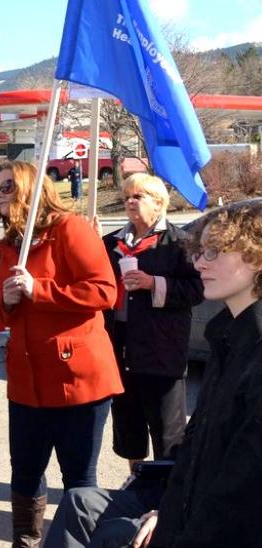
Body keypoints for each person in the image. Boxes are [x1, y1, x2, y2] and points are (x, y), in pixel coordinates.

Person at [45, 199, 262, 548]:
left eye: (214, 252)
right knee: (79, 502)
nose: (199, 262)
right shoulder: (227, 339)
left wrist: (169, 515)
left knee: (112, 534)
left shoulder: (253, 354)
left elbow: (241, 488)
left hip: (213, 522)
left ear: (256, 258)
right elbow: (195, 448)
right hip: (181, 496)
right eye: (200, 250)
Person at [0, 160, 123, 547]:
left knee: (79, 477)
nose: (0, 194)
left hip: (78, 380)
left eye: (8, 186)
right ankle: (25, 542)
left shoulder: (70, 229)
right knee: (25, 472)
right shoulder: (9, 242)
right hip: (26, 382)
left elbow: (103, 292)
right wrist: (6, 301)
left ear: (29, 187)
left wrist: (38, 290)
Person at [100, 174, 203, 476]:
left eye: (138, 196)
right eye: (127, 196)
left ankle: (165, 497)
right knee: (129, 428)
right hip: (121, 351)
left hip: (161, 352)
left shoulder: (180, 243)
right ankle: (138, 485)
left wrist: (152, 283)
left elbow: (197, 290)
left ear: (158, 203)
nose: (130, 202)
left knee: (167, 435)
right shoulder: (111, 242)